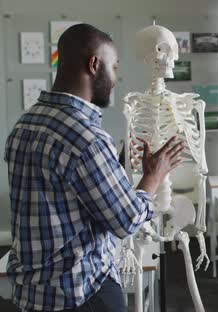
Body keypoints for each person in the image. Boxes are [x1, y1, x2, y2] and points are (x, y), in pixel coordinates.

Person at [4, 23, 183, 312]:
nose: (115, 78)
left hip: (33, 296)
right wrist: (154, 175)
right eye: (113, 67)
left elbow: (64, 197)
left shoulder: (26, 125)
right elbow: (127, 220)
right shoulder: (85, 138)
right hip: (81, 294)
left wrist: (117, 163)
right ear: (94, 65)